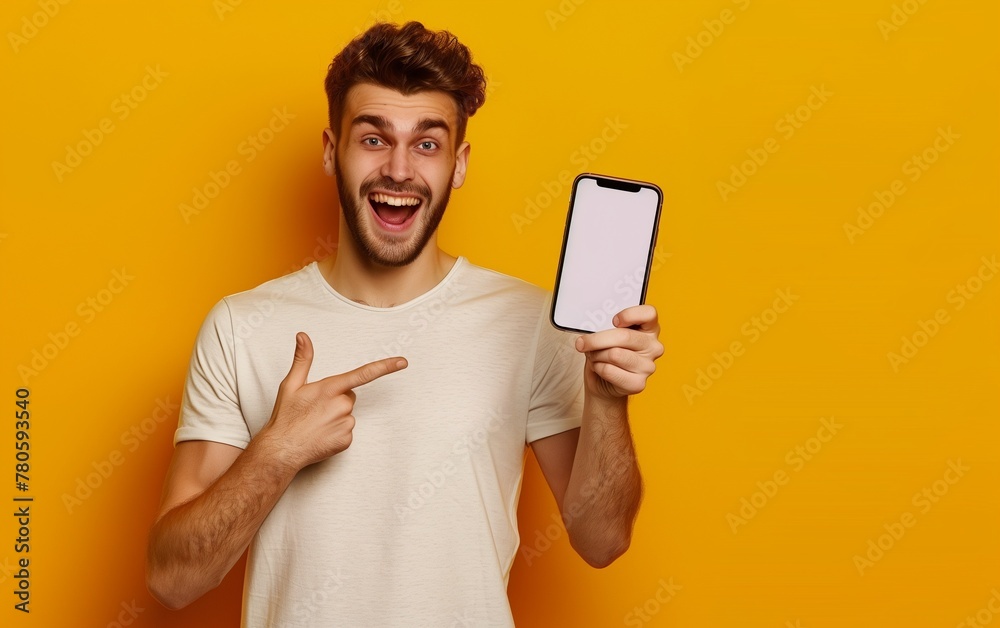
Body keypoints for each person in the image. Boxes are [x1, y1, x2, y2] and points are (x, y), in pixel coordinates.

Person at [146, 20, 663, 627]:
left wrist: (606, 401)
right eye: (372, 139)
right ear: (329, 150)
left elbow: (602, 542)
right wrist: (276, 454)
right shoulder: (239, 326)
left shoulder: (530, 323)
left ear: (459, 163)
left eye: (426, 143)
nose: (398, 169)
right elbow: (171, 580)